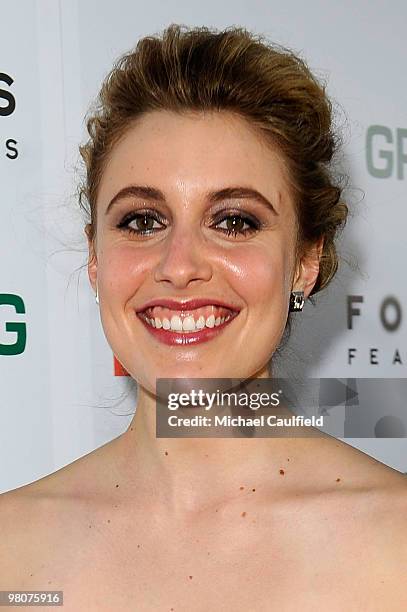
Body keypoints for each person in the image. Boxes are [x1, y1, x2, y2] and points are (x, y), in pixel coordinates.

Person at [1, 23, 406, 611]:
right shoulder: (12, 551)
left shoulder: (395, 544)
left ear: (305, 261)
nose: (180, 265)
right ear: (95, 257)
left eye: (235, 221)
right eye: (142, 220)